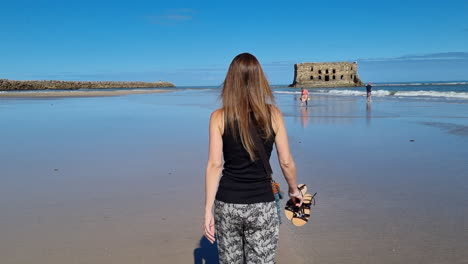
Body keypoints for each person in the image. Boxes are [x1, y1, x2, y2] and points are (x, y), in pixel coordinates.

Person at [203, 53, 303, 264]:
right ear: (260, 81)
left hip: (227, 203)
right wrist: (294, 190)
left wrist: (207, 210)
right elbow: (285, 161)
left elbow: (214, 165)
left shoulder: (219, 117)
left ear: (230, 82)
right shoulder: (273, 114)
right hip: (262, 205)